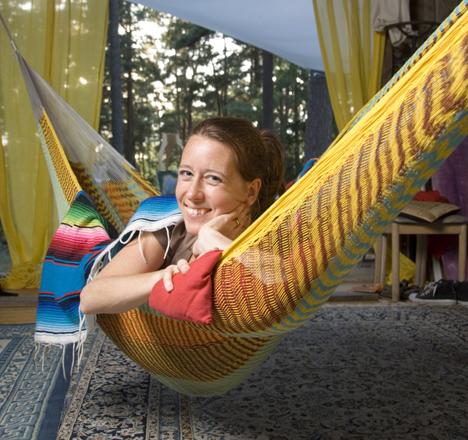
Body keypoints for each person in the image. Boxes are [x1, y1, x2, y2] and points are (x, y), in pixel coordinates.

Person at [80, 117, 284, 315]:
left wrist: (214, 240)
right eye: (186, 173)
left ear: (251, 192)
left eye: (213, 178)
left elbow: (287, 281)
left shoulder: (268, 233)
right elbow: (90, 298)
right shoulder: (168, 228)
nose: (192, 194)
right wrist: (165, 276)